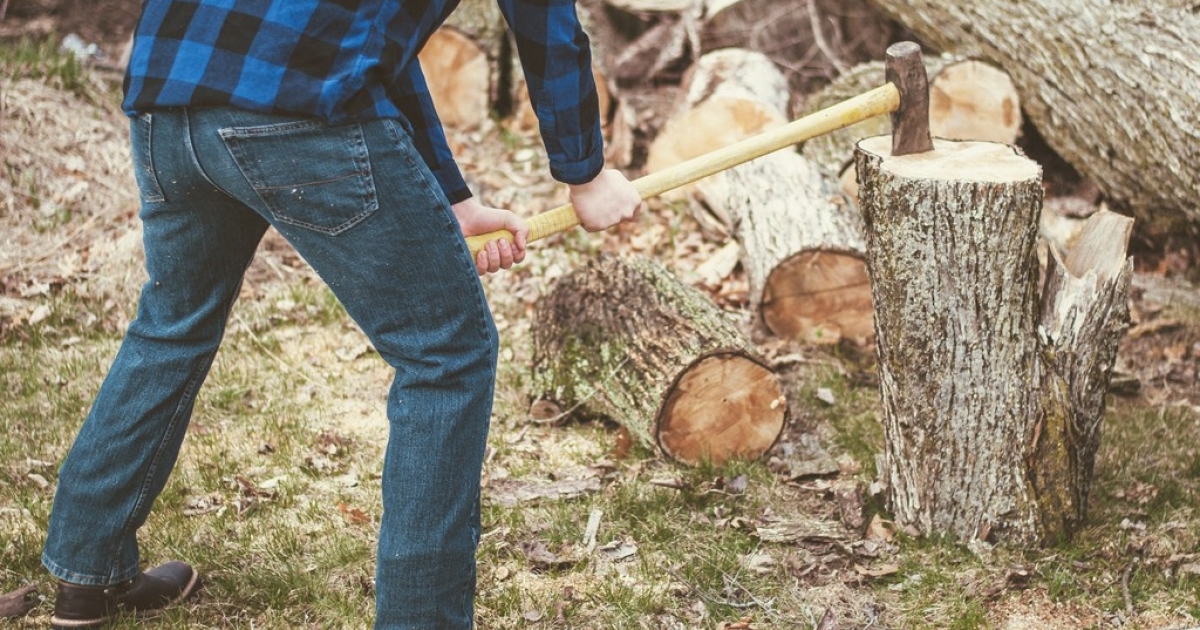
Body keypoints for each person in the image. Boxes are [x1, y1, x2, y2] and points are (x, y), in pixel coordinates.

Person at [40, 0, 642, 628]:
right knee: (446, 356)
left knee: (170, 328)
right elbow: (544, 21)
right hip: (300, 110)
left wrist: (453, 198)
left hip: (169, 100)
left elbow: (374, 46)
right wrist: (587, 174)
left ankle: (87, 572)